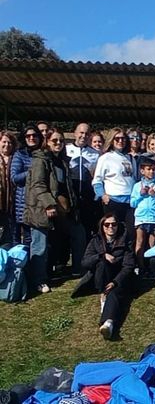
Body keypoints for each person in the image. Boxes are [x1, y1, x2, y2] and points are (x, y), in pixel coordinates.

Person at [23, 128, 77, 293]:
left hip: (59, 209)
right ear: (47, 141)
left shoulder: (61, 161)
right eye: (55, 140)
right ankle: (38, 280)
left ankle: (50, 273)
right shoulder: (41, 159)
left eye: (61, 140)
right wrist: (48, 204)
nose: (59, 143)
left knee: (62, 240)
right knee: (39, 246)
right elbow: (38, 184)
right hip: (40, 208)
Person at [75, 213, 135, 340]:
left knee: (113, 292)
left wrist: (115, 281)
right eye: (107, 224)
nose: (110, 227)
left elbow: (129, 266)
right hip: (101, 275)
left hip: (120, 277)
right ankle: (103, 294)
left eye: (114, 224)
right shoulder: (95, 240)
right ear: (102, 226)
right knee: (102, 263)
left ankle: (108, 323)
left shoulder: (126, 240)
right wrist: (102, 255)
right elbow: (85, 262)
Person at [92, 128, 135, 236]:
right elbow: (97, 180)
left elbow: (134, 178)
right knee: (112, 233)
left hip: (130, 201)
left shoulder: (130, 158)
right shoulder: (105, 158)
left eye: (123, 138)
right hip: (113, 201)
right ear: (112, 140)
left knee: (130, 233)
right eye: (117, 138)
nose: (120, 141)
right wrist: (102, 195)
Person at [65, 123, 100, 250]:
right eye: (81, 132)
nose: (83, 136)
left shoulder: (96, 154)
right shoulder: (66, 150)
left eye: (86, 133)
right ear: (75, 133)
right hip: (70, 196)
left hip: (88, 198)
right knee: (66, 231)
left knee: (86, 229)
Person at [129, 156, 155, 270]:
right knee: (140, 242)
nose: (152, 171)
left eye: (154, 169)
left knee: (153, 244)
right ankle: (140, 267)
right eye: (149, 169)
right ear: (142, 171)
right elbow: (132, 204)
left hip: (154, 218)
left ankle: (152, 268)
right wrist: (140, 194)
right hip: (141, 218)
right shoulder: (137, 186)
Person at [11, 126, 43, 245]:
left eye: (34, 135)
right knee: (21, 240)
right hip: (23, 202)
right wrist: (32, 171)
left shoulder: (44, 154)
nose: (31, 138)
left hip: (40, 203)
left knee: (35, 241)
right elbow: (15, 178)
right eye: (28, 136)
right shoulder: (19, 154)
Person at [0, 131, 17, 246]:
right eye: (4, 142)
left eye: (10, 142)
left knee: (8, 238)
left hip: (12, 205)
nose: (7, 145)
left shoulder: (16, 158)